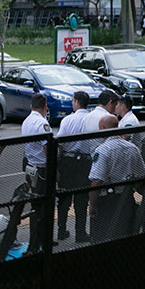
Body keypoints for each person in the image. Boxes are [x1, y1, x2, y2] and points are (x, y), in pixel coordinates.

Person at [88, 115, 145, 244]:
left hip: (107, 200)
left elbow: (97, 180)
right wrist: (131, 187)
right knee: (125, 233)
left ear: (103, 128)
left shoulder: (103, 150)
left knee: (104, 236)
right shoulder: (132, 148)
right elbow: (142, 174)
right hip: (126, 197)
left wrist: (92, 205)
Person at [55, 91, 91, 243]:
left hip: (68, 162)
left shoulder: (67, 120)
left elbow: (60, 143)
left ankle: (61, 230)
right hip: (85, 162)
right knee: (81, 200)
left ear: (76, 101)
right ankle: (80, 233)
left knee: (64, 198)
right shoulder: (91, 119)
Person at [21, 93, 53, 251]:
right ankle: (39, 241)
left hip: (30, 167)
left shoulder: (27, 121)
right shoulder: (42, 123)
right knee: (43, 207)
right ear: (45, 106)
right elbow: (48, 148)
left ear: (31, 106)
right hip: (42, 169)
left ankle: (37, 239)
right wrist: (56, 168)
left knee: (36, 206)